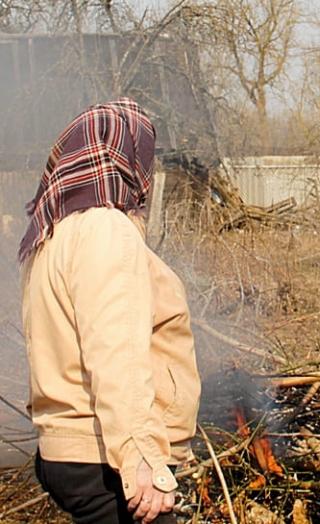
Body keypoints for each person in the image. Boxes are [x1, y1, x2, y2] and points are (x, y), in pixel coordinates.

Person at [19, 99, 201, 523]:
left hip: (72, 450)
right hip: (104, 456)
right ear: (128, 161)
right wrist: (141, 455)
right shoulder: (105, 230)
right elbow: (116, 348)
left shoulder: (53, 235)